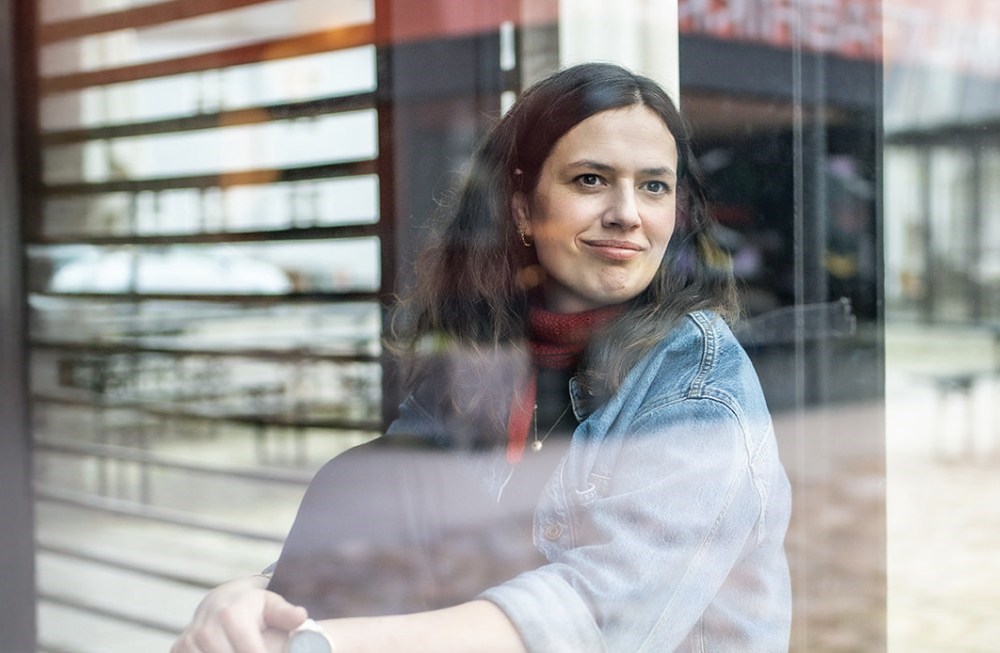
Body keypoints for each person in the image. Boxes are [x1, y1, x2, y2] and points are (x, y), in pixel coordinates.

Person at [172, 62, 792, 653]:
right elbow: (366, 526)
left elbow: (594, 618)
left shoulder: (698, 381)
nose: (627, 214)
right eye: (591, 180)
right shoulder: (488, 353)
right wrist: (252, 598)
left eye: (653, 186)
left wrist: (323, 641)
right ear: (522, 207)